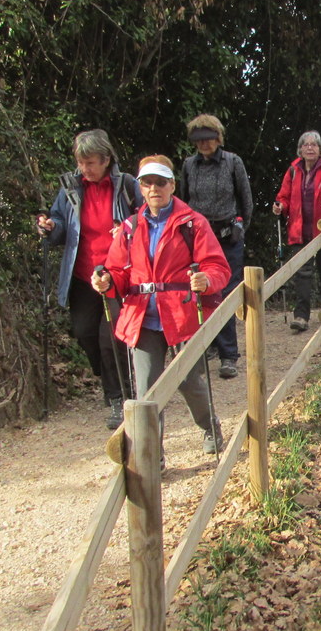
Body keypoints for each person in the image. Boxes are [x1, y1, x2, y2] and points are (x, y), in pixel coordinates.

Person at [91, 155, 230, 463]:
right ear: (140, 187)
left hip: (183, 314)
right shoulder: (129, 226)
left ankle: (210, 427)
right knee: (148, 391)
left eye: (160, 182)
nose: (154, 188)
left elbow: (218, 266)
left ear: (172, 185)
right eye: (147, 182)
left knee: (188, 381)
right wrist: (106, 281)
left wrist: (206, 279)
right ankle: (154, 455)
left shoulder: (193, 222)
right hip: (143, 318)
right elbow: (118, 271)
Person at [36, 129, 140, 429]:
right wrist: (49, 226)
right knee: (84, 333)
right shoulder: (70, 188)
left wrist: (127, 227)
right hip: (82, 276)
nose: (85, 169)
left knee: (111, 340)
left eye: (91, 163)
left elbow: (145, 219)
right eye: (81, 163)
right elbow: (58, 229)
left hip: (117, 276)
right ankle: (112, 379)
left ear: (107, 160)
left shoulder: (126, 186)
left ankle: (119, 398)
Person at [181, 114, 253, 380]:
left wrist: (239, 229)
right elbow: (184, 199)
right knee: (198, 291)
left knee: (224, 291)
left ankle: (228, 355)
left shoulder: (233, 162)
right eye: (198, 140)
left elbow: (246, 202)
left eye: (208, 138)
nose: (204, 144)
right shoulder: (189, 165)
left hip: (226, 236)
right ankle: (205, 347)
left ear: (218, 137)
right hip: (197, 236)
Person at [272, 131, 321, 332]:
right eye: (305, 144)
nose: (309, 148)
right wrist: (280, 205)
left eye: (313, 144)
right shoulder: (293, 170)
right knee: (302, 273)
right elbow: (284, 196)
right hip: (300, 230)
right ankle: (301, 316)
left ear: (319, 148)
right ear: (300, 149)